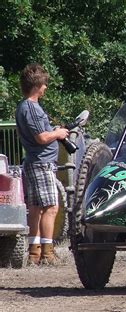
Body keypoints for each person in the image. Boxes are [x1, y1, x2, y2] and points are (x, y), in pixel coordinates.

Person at [15, 63, 69, 265]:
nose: (46, 87)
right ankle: (47, 253)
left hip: (33, 162)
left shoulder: (23, 107)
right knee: (51, 207)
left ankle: (34, 252)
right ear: (37, 85)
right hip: (41, 163)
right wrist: (58, 133)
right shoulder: (32, 108)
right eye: (44, 84)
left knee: (36, 207)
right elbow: (41, 137)